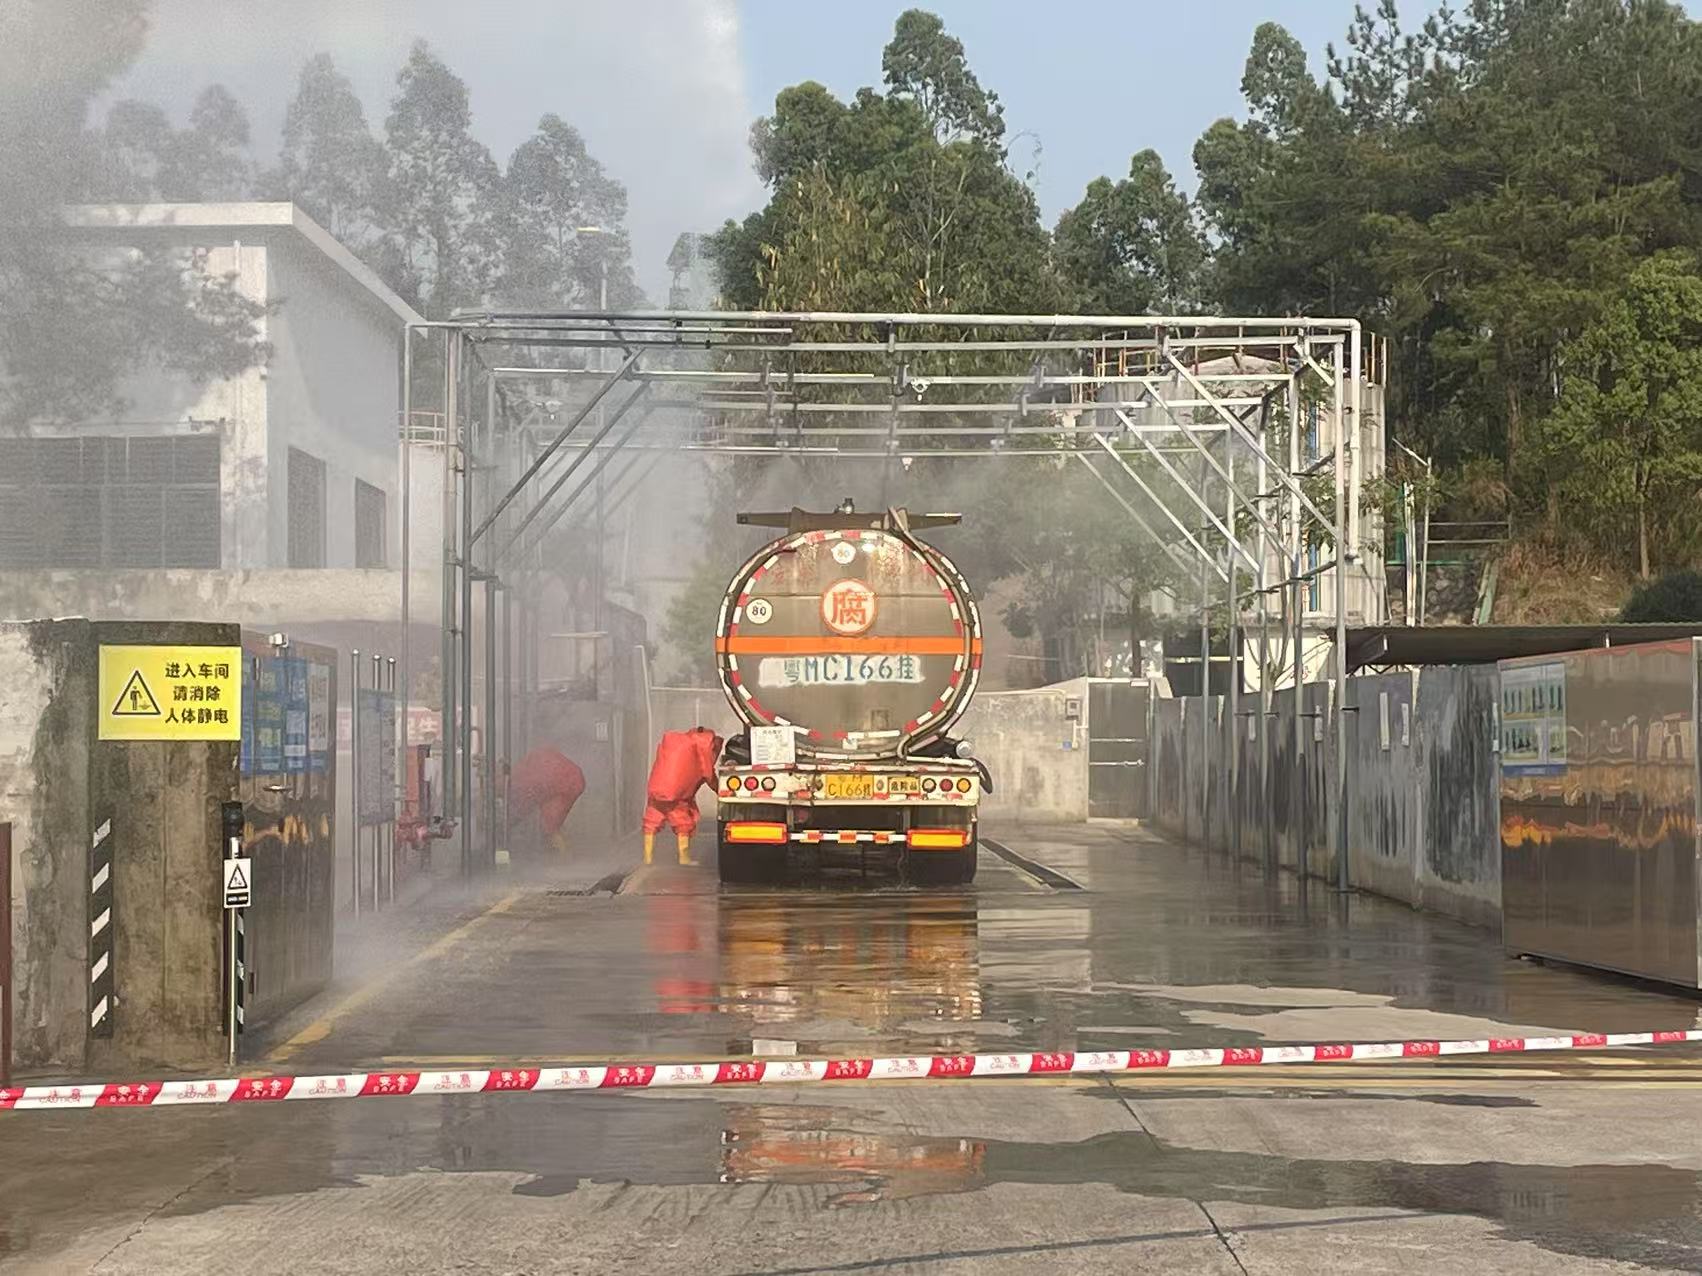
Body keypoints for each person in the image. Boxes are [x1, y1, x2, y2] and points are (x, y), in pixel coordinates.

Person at [643, 726, 723, 866]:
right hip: (677, 795)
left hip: (656, 790)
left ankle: (647, 858)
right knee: (683, 824)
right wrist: (720, 790)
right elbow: (709, 775)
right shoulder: (703, 749)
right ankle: (684, 858)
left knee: (651, 822)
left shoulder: (676, 743)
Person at [509, 747, 586, 855]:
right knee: (551, 824)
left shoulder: (520, 779)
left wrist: (514, 820)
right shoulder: (525, 767)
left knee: (550, 827)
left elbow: (525, 802)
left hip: (563, 783)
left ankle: (562, 857)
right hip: (570, 779)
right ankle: (560, 852)